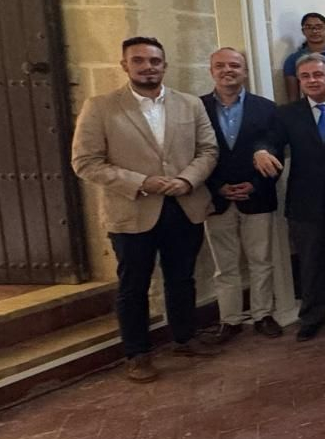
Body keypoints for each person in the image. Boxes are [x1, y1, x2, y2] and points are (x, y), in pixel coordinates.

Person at [71, 37, 220, 382]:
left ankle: (184, 337)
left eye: (154, 61)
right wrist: (140, 181)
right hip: (133, 208)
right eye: (139, 61)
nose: (147, 67)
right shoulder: (101, 107)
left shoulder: (189, 105)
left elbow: (208, 150)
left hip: (183, 204)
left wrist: (186, 181)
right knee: (133, 285)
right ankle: (137, 353)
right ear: (125, 65)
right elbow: (85, 162)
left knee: (182, 278)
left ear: (164, 65)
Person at [254, 54, 325, 341]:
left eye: (318, 74)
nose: (312, 80)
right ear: (300, 81)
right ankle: (313, 314)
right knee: (310, 260)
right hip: (306, 199)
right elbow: (270, 140)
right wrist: (262, 151)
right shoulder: (286, 114)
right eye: (305, 76)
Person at [199, 47, 281, 343]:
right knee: (225, 265)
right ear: (211, 70)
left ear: (245, 71)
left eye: (234, 65)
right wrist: (216, 186)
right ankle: (230, 319)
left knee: (261, 259)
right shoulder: (197, 108)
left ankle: (262, 314)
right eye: (220, 65)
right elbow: (192, 152)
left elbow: (275, 147)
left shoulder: (266, 108)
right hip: (216, 197)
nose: (227, 70)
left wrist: (255, 184)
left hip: (256, 195)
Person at [281, 12, 325, 101]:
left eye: (319, 27)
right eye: (309, 27)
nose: (314, 31)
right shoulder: (293, 59)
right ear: (303, 31)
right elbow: (293, 97)